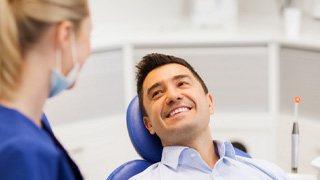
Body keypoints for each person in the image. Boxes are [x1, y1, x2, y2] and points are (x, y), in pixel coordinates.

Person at [130, 53, 288, 179]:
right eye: (157, 93)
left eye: (182, 83)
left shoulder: (267, 172)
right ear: (149, 124)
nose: (173, 95)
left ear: (209, 103)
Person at [0, 0, 92, 179]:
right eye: (89, 34)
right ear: (65, 35)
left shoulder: (31, 122)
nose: (89, 49)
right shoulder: (22, 151)